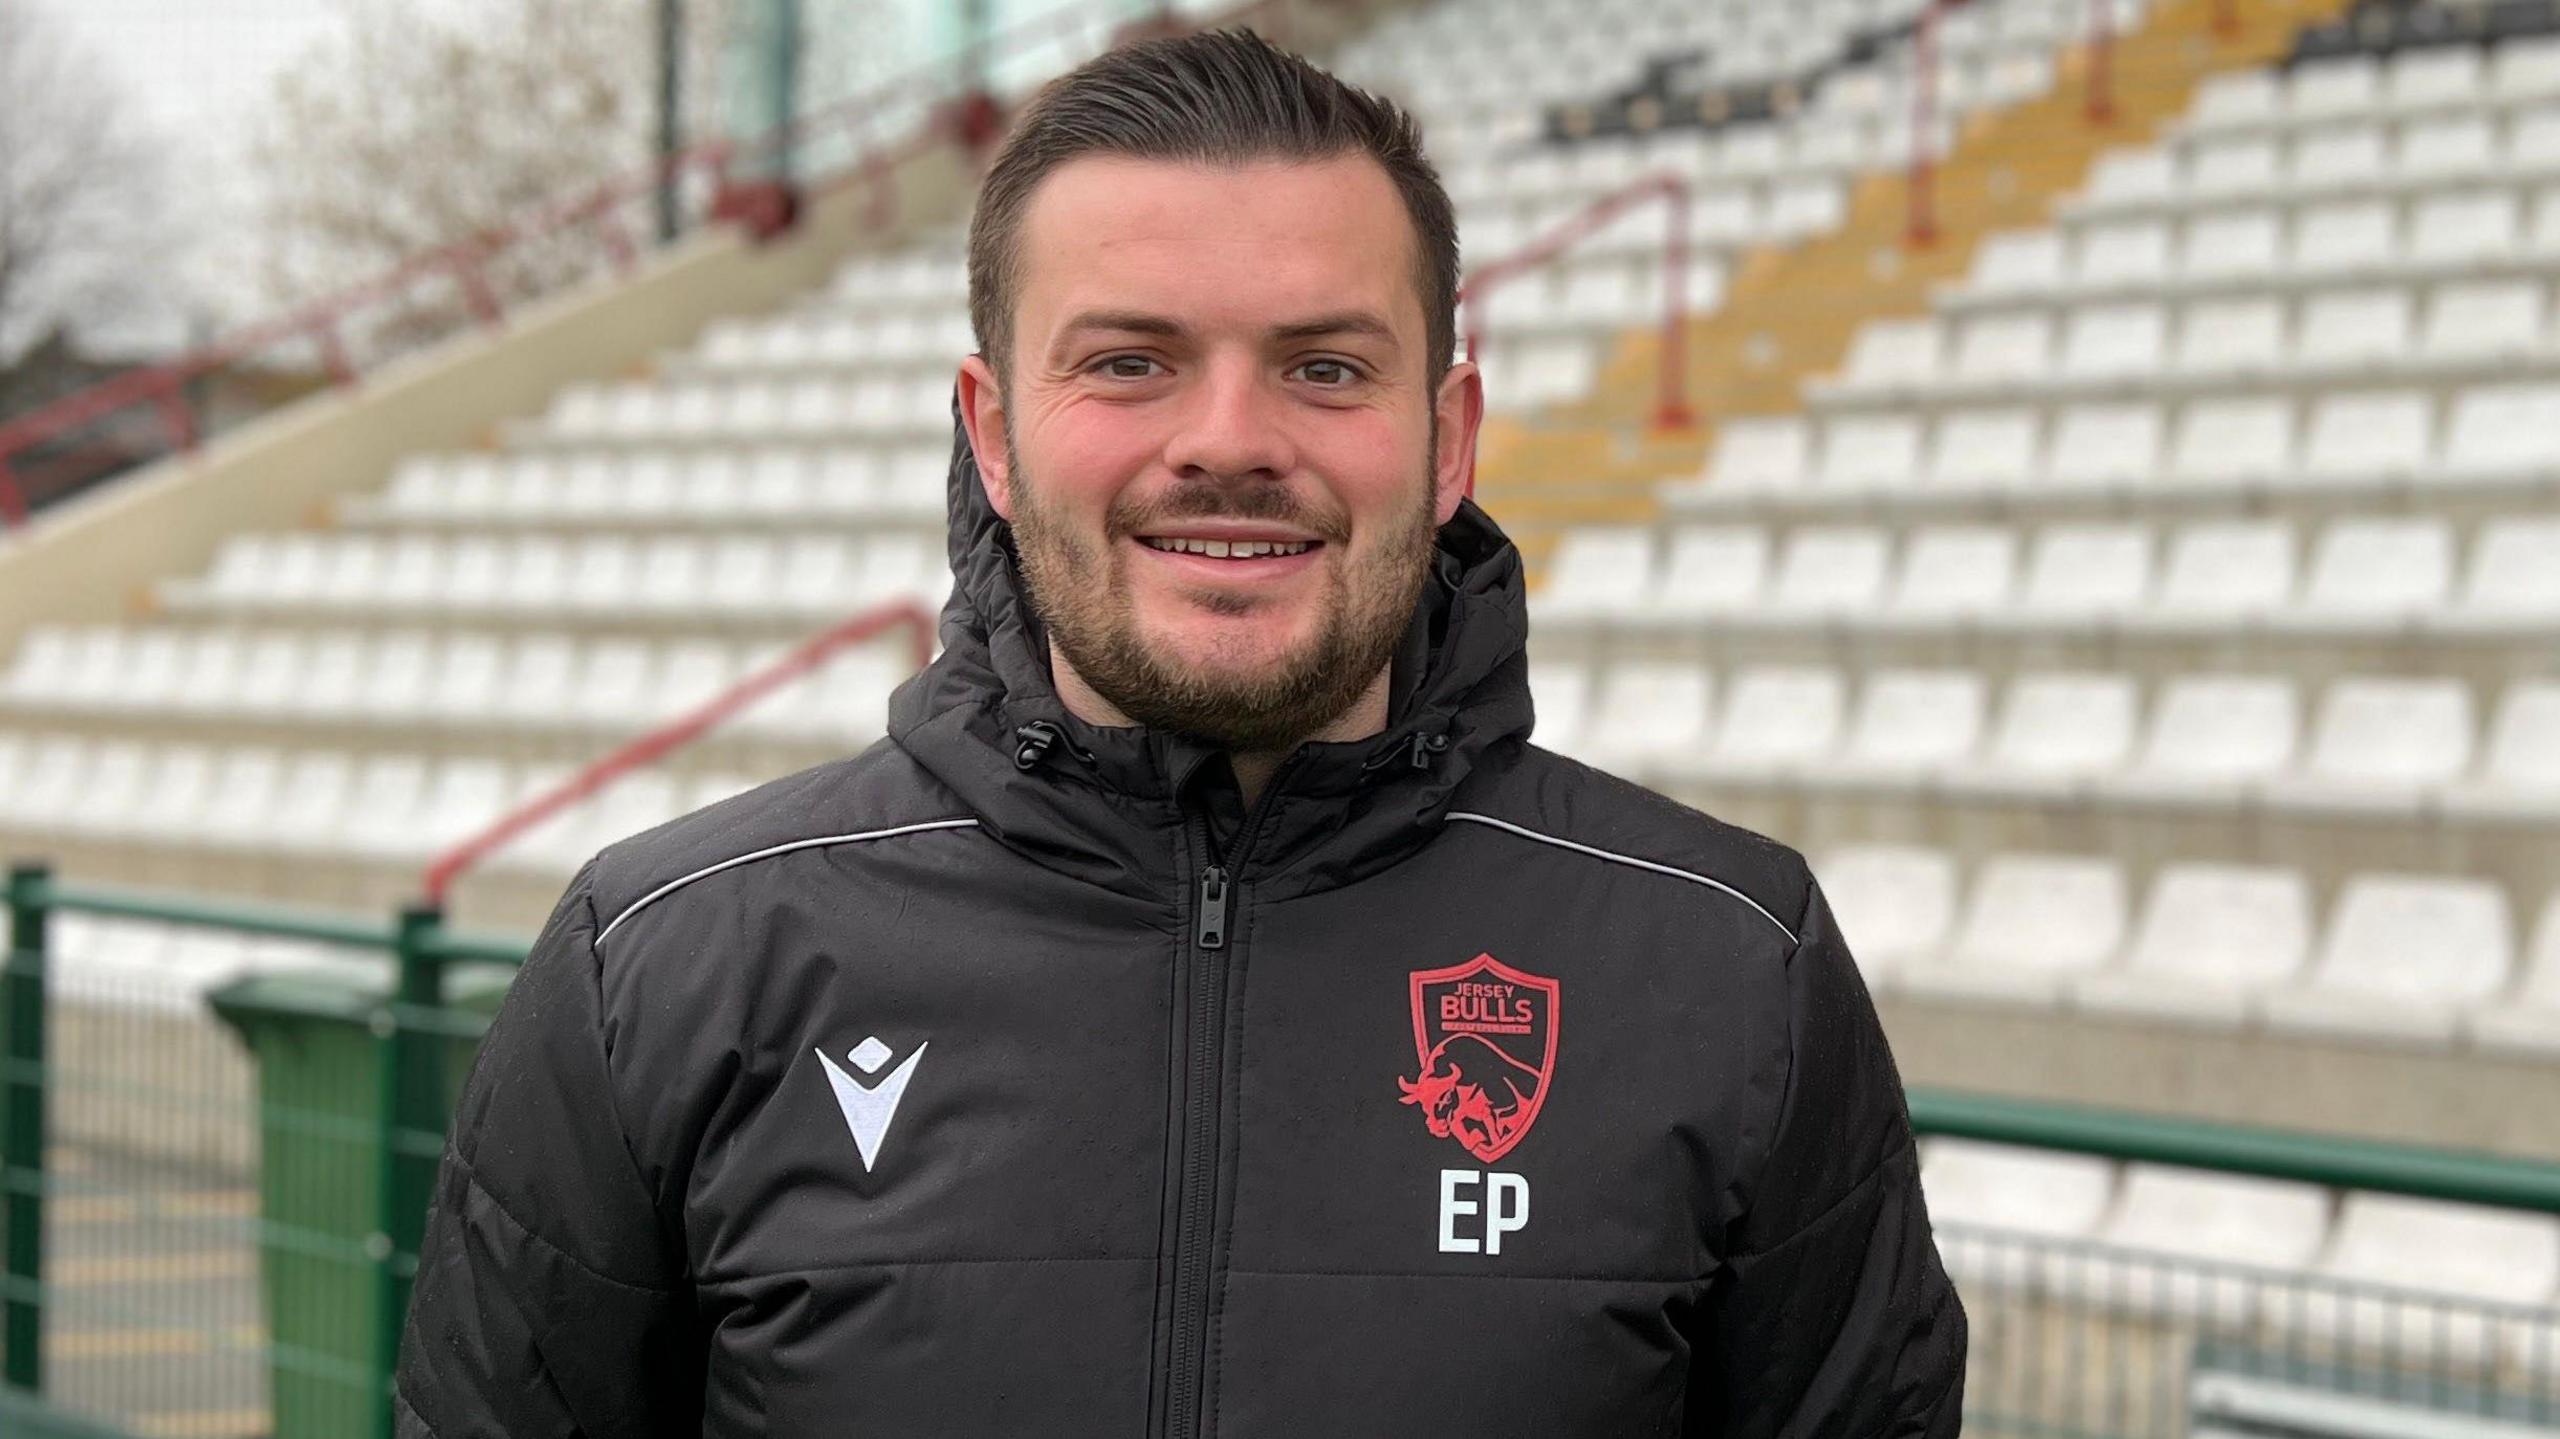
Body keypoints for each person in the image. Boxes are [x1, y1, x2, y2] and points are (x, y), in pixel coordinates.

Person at [396, 28, 1965, 1438]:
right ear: (994, 434)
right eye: (1130, 363)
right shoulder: (659, 966)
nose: (1229, 443)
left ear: (1448, 438)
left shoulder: (1727, 967)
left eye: (1326, 367)